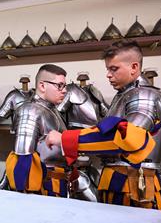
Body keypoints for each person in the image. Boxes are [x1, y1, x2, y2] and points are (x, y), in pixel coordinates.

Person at [46, 40, 161, 210]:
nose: (108, 74)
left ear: (134, 67)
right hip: (122, 181)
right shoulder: (125, 95)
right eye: (108, 69)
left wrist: (65, 139)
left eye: (114, 69)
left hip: (135, 185)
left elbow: (124, 139)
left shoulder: (144, 95)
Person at [5, 64, 97, 201]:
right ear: (42, 86)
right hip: (44, 187)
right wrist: (24, 200)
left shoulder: (52, 110)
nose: (65, 91)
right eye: (60, 85)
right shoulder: (30, 111)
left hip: (59, 183)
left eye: (65, 86)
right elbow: (22, 160)